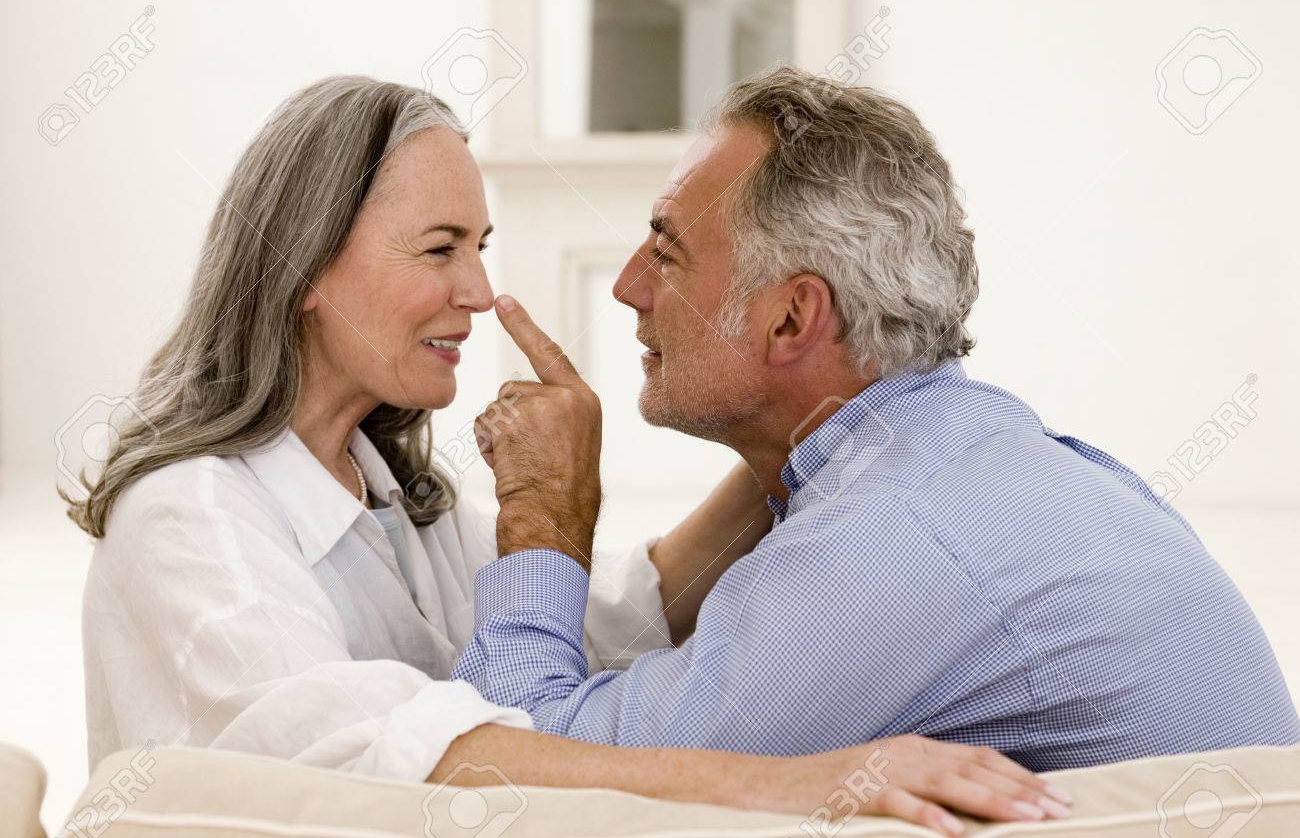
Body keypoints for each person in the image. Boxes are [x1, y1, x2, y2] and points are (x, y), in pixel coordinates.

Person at [63, 75, 1067, 835]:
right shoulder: (192, 519)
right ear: (304, 265)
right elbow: (401, 769)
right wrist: (796, 786)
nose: (477, 291)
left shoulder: (390, 498)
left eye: (480, 246)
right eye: (441, 248)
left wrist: (794, 425)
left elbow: (601, 621)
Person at [455, 65, 1300, 772]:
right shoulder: (960, 462)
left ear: (792, 318)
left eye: (666, 254)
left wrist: (542, 508)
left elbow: (527, 771)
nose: (627, 287)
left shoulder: (893, 532)